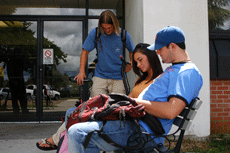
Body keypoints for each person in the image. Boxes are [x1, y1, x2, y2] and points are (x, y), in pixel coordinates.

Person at [66, 26, 203, 153]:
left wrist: (132, 102)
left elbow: (171, 111)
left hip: (143, 132)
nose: (157, 52)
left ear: (172, 46)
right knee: (77, 115)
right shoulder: (175, 69)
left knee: (76, 133)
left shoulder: (187, 72)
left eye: (160, 48)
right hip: (135, 123)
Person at [36, 43, 163, 151]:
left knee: (76, 122)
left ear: (151, 56)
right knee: (73, 112)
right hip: (126, 116)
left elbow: (144, 106)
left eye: (140, 60)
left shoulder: (158, 81)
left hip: (134, 125)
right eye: (136, 62)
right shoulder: (141, 80)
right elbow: (127, 99)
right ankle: (60, 142)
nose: (138, 65)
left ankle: (56, 140)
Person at [74, 10, 135, 97]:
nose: (107, 31)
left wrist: (131, 63)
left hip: (118, 77)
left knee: (118, 107)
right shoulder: (96, 33)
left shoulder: (123, 35)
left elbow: (132, 51)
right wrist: (81, 71)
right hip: (100, 76)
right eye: (104, 28)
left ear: (115, 24)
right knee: (97, 105)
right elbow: (85, 51)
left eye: (109, 27)